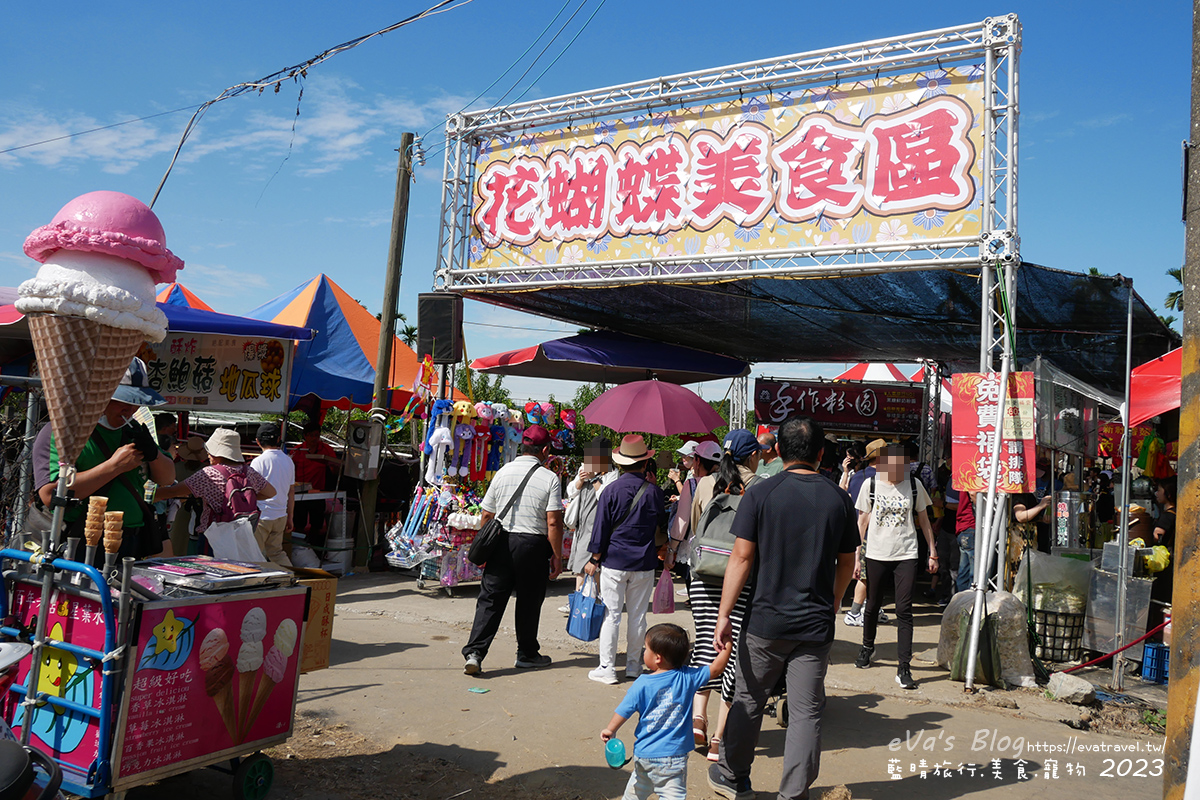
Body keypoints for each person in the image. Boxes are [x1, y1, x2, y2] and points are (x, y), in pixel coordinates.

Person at [707, 416, 857, 800]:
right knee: (806, 713)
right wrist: (836, 599)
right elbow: (846, 563)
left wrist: (724, 615)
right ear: (821, 454)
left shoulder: (761, 494)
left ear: (778, 451)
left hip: (764, 623)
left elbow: (740, 558)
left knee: (748, 699)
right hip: (815, 625)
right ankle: (794, 794)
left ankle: (733, 776)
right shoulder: (839, 498)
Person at [38, 358, 177, 562]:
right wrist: (114, 467)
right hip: (80, 543)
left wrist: (153, 454)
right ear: (97, 396)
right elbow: (50, 494)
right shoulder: (63, 432)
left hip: (131, 542)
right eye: (123, 401)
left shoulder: (133, 431)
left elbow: (167, 478)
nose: (130, 410)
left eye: (136, 402)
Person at [684, 429, 764, 763]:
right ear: (751, 456)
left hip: (703, 575)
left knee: (705, 641)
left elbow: (694, 527)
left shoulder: (704, 483)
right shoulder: (760, 487)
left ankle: (697, 719)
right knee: (732, 651)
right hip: (741, 578)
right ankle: (719, 738)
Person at [462, 424, 564, 675]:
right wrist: (557, 556)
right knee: (529, 601)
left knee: (490, 599)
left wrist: (486, 548)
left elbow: (487, 514)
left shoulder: (503, 472)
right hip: (532, 545)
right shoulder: (550, 477)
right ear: (545, 450)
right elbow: (553, 521)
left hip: (501, 542)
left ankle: (475, 653)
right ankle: (527, 654)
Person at [601, 624, 733, 800]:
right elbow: (717, 668)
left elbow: (624, 710)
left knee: (636, 793)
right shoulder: (688, 677)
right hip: (674, 759)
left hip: (645, 756)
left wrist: (610, 729)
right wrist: (728, 643)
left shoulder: (642, 684)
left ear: (657, 658)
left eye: (646, 649)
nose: (643, 653)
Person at [584, 435, 667, 685]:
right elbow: (661, 528)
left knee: (612, 614)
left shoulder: (610, 490)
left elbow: (601, 528)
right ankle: (634, 665)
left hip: (614, 560)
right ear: (645, 464)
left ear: (620, 464)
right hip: (644, 562)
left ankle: (608, 667)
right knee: (638, 616)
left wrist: (594, 558)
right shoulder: (654, 492)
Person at [852, 445, 937, 690]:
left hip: (906, 553)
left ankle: (904, 666)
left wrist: (932, 551)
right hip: (876, 553)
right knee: (873, 604)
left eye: (902, 468)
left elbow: (924, 519)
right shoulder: (870, 485)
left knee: (904, 609)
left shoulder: (914, 485)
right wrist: (857, 557)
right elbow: (862, 522)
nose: (897, 473)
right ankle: (867, 647)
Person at [155, 428, 276, 547]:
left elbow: (173, 491)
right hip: (242, 535)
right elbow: (271, 493)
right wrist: (243, 498)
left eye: (209, 452)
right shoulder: (249, 472)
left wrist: (146, 496)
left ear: (217, 454)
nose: (208, 455)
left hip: (213, 536)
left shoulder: (209, 474)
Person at [564, 436, 618, 603]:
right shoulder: (584, 468)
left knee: (588, 565)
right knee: (581, 564)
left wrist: (594, 479)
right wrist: (580, 479)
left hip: (597, 525)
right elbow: (570, 491)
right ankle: (583, 599)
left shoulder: (612, 474)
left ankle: (583, 600)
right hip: (582, 525)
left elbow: (607, 498)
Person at [843, 438, 888, 627]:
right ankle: (854, 612)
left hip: (858, 531)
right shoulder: (881, 479)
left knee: (870, 575)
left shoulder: (857, 476)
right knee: (867, 576)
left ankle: (872, 608)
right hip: (873, 534)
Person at [250, 422, 295, 566]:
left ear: (257, 441)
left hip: (262, 516)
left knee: (254, 554)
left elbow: (251, 492)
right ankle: (291, 580)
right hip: (280, 515)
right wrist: (290, 516)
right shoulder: (288, 461)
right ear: (278, 439)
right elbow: (291, 491)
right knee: (276, 552)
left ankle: (255, 586)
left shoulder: (258, 462)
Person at [291, 418, 340, 548]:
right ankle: (298, 548)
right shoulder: (297, 450)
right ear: (305, 436)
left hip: (318, 492)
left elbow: (336, 471)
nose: (314, 438)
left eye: (317, 435)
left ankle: (313, 548)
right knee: (298, 523)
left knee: (317, 524)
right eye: (311, 435)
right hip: (299, 492)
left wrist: (334, 466)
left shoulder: (326, 449)